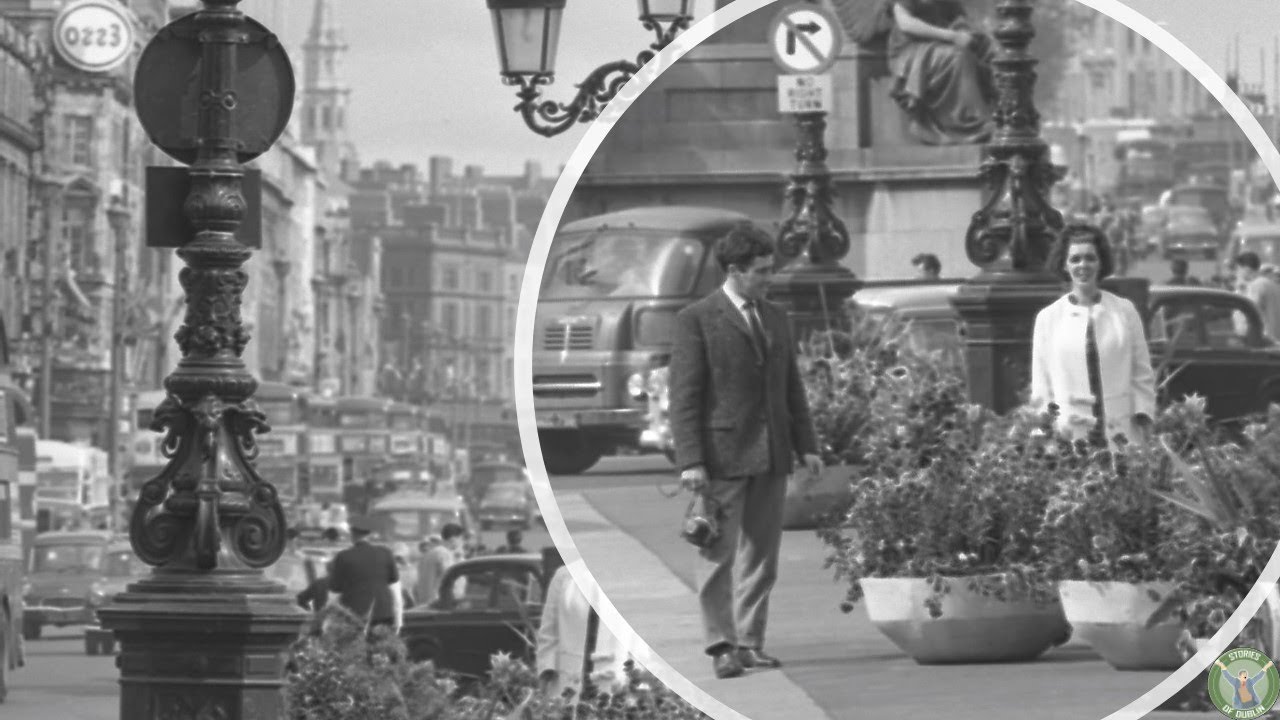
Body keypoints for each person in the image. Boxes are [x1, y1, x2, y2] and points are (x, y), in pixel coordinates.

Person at [667, 222, 823, 680]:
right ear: (735, 271)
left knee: (762, 558)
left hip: (771, 452)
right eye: (761, 271)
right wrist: (691, 460)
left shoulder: (775, 316)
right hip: (722, 456)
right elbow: (685, 396)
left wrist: (807, 446)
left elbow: (791, 387)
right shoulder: (696, 319)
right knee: (717, 556)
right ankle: (721, 645)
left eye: (770, 270)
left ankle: (751, 641)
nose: (769, 278)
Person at [1029, 224, 1157, 449]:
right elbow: (1042, 384)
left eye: (1090, 258)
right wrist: (1045, 431)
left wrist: (1144, 415)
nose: (1083, 265)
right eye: (1075, 259)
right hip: (1070, 435)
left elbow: (1141, 372)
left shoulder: (1125, 311)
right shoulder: (1048, 318)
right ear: (1064, 265)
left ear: (1101, 263)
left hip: (1121, 433)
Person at [886, 0, 995, 145]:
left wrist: (965, 31)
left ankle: (1001, 114)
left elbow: (959, 18)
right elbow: (906, 24)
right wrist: (952, 36)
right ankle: (968, 124)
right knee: (957, 57)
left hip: (941, 45)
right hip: (910, 51)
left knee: (988, 53)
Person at [536, 550, 632, 698]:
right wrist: (546, 670)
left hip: (613, 679)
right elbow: (548, 632)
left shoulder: (628, 579)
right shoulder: (563, 577)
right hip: (569, 678)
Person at [326, 519, 401, 633]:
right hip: (384, 612)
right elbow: (394, 587)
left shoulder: (343, 557)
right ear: (370, 534)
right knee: (382, 648)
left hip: (353, 614)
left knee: (356, 648)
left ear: (352, 535)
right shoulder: (386, 553)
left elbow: (335, 589)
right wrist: (398, 619)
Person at [1233, 251, 1280, 340]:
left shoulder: (1257, 285)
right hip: (1275, 339)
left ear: (1246, 269)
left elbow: (1248, 310)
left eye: (1238, 269)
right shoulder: (1271, 284)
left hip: (1264, 340)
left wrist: (1239, 289)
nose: (1236, 273)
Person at [415, 523, 464, 606]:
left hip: (423, 603)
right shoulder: (444, 554)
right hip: (437, 604)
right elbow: (450, 576)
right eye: (461, 539)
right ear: (453, 539)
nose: (462, 542)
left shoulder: (429, 554)